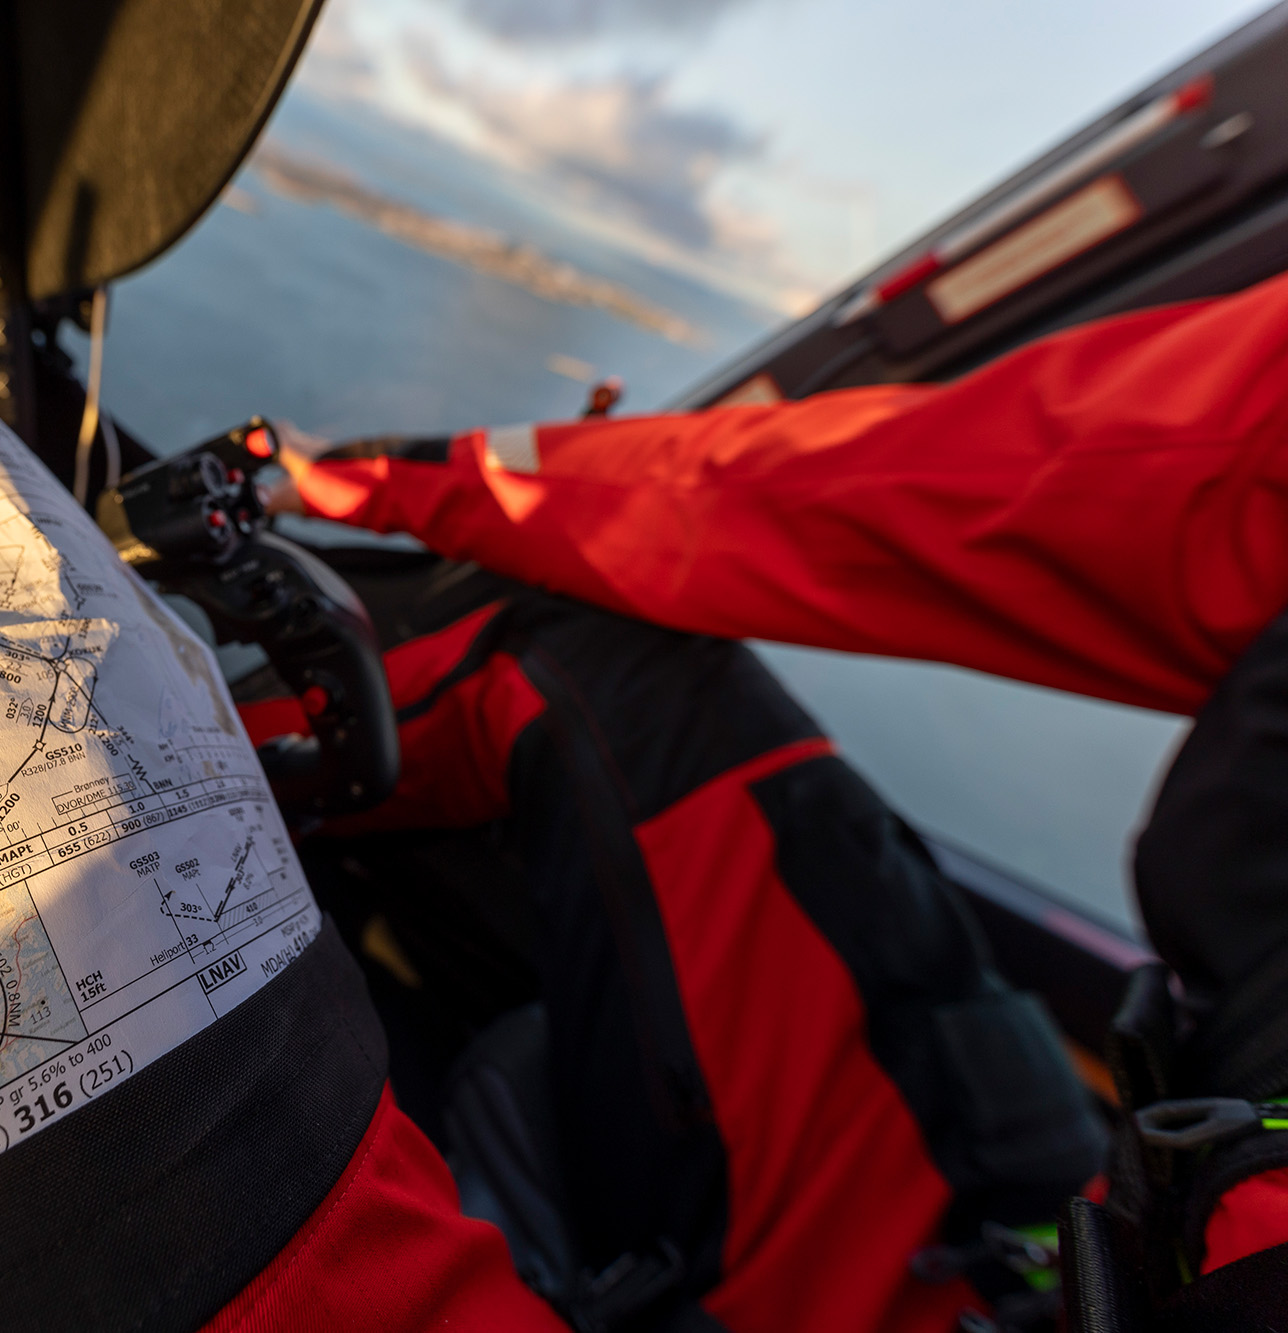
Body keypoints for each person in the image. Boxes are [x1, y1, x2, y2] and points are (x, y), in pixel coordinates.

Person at [0, 306, 1133, 1328]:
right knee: (606, 662)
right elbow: (1057, 468)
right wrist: (389, 501)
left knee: (71, 1219)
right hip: (1060, 1265)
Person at [261, 263, 1288, 1320]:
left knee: (156, 1173)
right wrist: (376, 483)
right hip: (1073, 1231)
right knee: (604, 668)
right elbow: (913, 483)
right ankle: (172, 754)